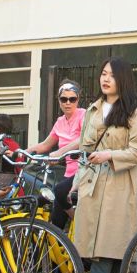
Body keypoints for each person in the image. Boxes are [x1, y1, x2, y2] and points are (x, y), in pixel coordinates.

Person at [73, 58, 137, 273]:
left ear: (123, 80)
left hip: (122, 185)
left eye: (112, 75)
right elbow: (84, 149)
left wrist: (109, 154)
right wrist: (76, 185)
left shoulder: (136, 113)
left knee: (105, 250)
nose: (105, 79)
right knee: (109, 249)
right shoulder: (93, 111)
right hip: (93, 183)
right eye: (103, 73)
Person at [25, 80, 86, 229]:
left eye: (72, 99)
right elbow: (45, 145)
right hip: (68, 173)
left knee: (59, 190)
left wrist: (60, 152)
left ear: (78, 99)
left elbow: (84, 138)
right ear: (59, 101)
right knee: (55, 221)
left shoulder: (83, 115)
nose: (68, 103)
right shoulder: (60, 121)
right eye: (64, 99)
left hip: (84, 171)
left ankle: (80, 225)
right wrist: (22, 152)